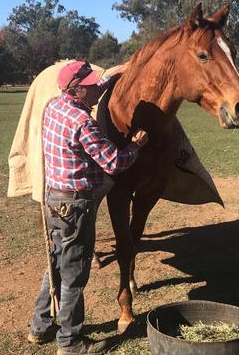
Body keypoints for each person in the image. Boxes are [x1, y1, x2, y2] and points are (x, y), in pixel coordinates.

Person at [27, 60, 148, 355]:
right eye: (92, 85)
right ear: (78, 90)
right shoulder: (83, 123)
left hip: (54, 199)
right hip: (76, 204)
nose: (97, 89)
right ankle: (70, 341)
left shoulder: (54, 106)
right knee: (75, 273)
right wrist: (137, 145)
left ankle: (40, 326)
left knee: (55, 261)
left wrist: (111, 77)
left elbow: (93, 89)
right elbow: (114, 163)